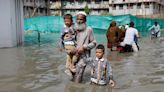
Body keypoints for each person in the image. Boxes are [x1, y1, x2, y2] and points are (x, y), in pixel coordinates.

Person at [71, 11, 96, 83]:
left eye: (81, 19)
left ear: (85, 20)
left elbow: (94, 43)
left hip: (83, 56)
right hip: (73, 55)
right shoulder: (73, 29)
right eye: (77, 19)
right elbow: (68, 40)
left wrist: (84, 47)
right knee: (72, 74)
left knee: (78, 76)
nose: (79, 21)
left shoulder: (89, 29)